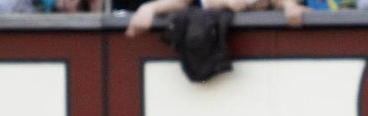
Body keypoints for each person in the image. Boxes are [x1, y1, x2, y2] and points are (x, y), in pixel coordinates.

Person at [125, 0, 305, 37]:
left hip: (265, 39)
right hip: (221, 42)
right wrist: (150, 8)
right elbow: (181, 2)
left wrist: (289, 6)